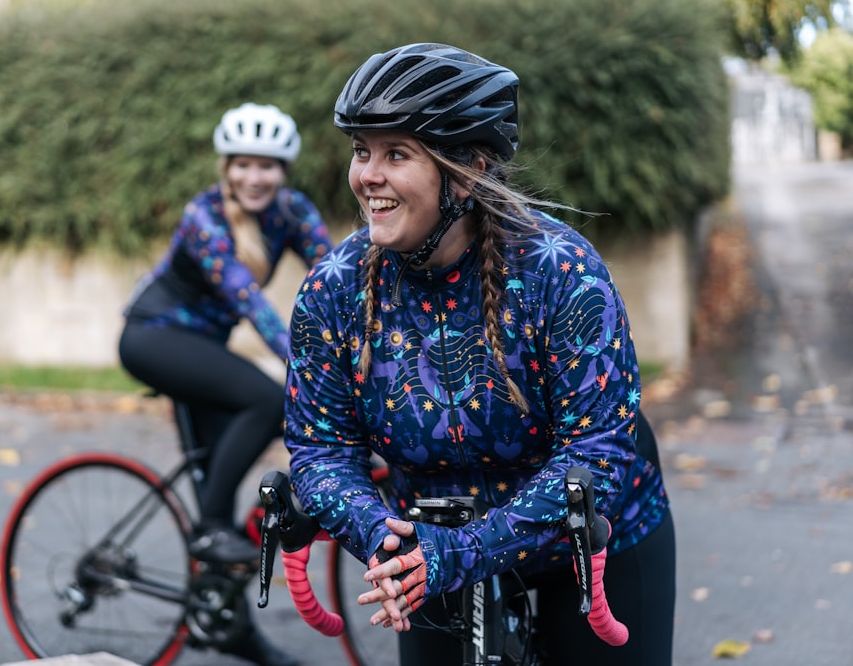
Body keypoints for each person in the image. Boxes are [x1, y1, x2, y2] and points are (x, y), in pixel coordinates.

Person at [284, 43, 675, 665]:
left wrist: (462, 552)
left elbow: (598, 450)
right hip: (430, 545)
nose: (367, 175)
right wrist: (382, 536)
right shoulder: (333, 286)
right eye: (362, 150)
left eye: (397, 153)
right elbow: (320, 446)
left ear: (466, 173)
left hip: (590, 543)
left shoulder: (559, 271)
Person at [119, 102, 332, 666]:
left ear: (284, 171)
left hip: (203, 348)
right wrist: (308, 367)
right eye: (242, 165)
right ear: (226, 167)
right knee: (268, 399)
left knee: (223, 475)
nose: (254, 178)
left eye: (267, 166)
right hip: (153, 336)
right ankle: (211, 529)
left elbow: (337, 274)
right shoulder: (203, 216)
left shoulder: (292, 212)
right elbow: (252, 304)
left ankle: (226, 623)